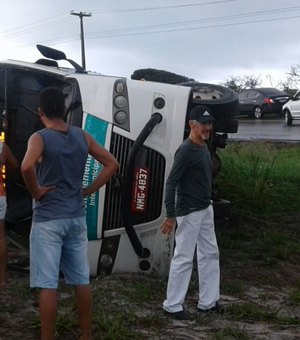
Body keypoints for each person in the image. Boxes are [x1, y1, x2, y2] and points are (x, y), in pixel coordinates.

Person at [21, 87, 119, 340]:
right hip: (76, 218)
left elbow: (26, 166)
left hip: (48, 221)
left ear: (40, 112)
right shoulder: (83, 136)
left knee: (47, 284)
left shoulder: (39, 138)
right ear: (64, 110)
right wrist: (88, 190)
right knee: (81, 280)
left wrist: (36, 191)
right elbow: (112, 164)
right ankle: (85, 335)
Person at [161, 105, 220, 320]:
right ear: (191, 125)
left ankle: (208, 302)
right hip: (189, 211)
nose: (207, 127)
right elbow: (172, 182)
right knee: (184, 257)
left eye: (209, 123)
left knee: (210, 254)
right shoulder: (185, 150)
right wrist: (170, 214)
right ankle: (173, 305)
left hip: (205, 208)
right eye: (203, 124)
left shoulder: (203, 145)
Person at [0, 141, 18, 287]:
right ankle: (3, 279)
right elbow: (14, 165)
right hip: (0, 195)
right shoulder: (1, 146)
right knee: (1, 236)